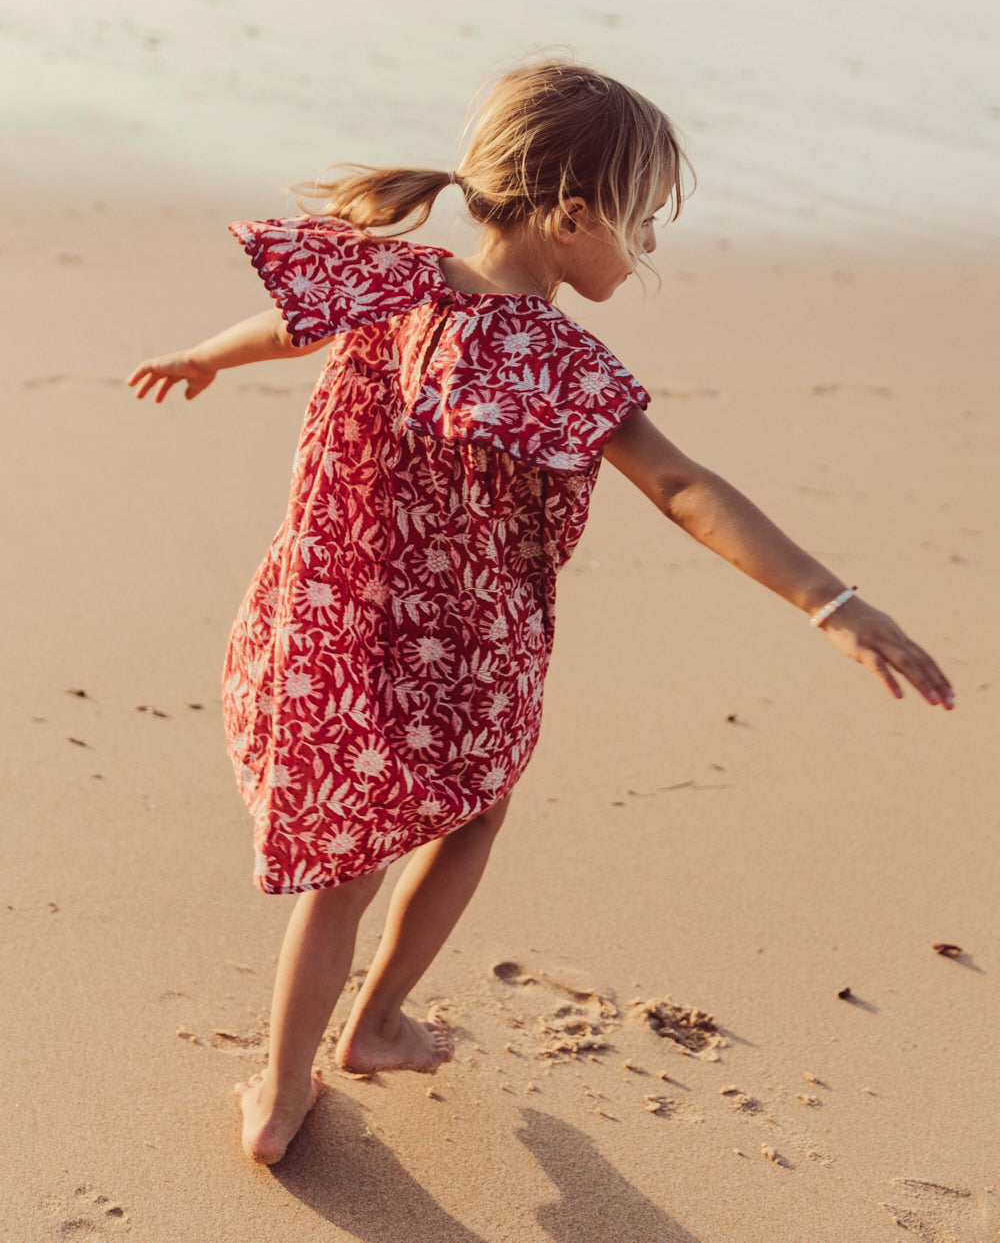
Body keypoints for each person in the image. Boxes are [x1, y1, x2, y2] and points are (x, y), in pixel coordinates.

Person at [127, 60, 954, 1165]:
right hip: (468, 646)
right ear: (571, 216)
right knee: (470, 811)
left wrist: (201, 358)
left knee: (344, 869)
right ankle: (373, 1024)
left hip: (337, 616)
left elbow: (286, 326)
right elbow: (683, 487)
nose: (648, 247)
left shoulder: (394, 282)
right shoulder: (563, 360)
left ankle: (280, 1096)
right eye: (642, 222)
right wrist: (830, 600)